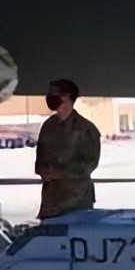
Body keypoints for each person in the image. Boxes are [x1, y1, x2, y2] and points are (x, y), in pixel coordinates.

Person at [34, 78, 101, 220]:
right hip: (51, 201)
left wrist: (60, 174)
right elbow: (40, 161)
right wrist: (44, 172)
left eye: (57, 95)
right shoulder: (48, 126)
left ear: (68, 98)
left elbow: (89, 165)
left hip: (77, 200)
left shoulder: (86, 129)